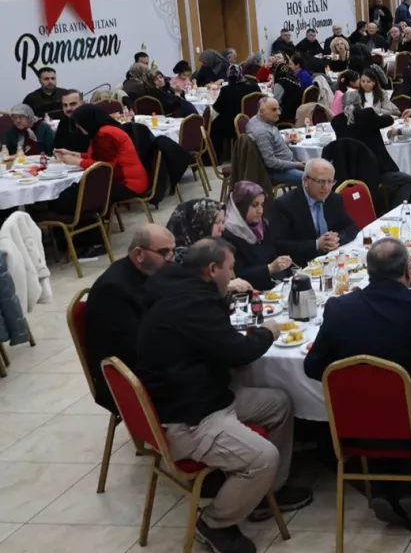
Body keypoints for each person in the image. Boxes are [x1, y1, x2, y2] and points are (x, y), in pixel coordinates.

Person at [135, 238, 313, 553]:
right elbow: (238, 352)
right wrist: (268, 332)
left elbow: (213, 345)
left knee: (279, 404)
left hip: (204, 394)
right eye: (230, 269)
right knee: (262, 458)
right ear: (211, 269)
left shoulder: (179, 288)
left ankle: (265, 493)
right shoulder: (192, 305)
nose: (233, 276)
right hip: (188, 418)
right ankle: (213, 523)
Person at [303, 237, 411, 524]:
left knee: (382, 417)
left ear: (367, 270)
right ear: (408, 270)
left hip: (356, 422)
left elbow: (313, 367)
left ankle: (385, 488)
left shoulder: (339, 309)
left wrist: (356, 375)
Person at [83, 224, 176, 412]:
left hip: (150, 361)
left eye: (173, 251)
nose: (171, 258)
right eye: (164, 252)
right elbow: (137, 348)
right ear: (139, 254)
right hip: (131, 380)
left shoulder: (150, 272)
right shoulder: (112, 291)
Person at [52, 105, 149, 209]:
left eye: (79, 124)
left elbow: (105, 167)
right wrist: (73, 154)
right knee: (75, 193)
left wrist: (76, 161)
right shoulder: (102, 131)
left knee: (74, 197)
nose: (78, 127)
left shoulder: (105, 134)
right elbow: (98, 156)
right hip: (123, 180)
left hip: (128, 185)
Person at [221, 181, 308, 291]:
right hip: (250, 290)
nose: (260, 211)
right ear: (240, 207)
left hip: (273, 282)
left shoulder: (261, 225)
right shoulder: (228, 235)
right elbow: (237, 274)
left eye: (262, 205)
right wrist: (269, 268)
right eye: (254, 205)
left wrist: (282, 262)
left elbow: (271, 251)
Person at [269, 159, 358, 262]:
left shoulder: (334, 199)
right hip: (303, 262)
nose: (326, 187)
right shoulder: (285, 205)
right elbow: (278, 245)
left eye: (330, 181)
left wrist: (337, 238)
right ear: (306, 181)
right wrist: (316, 244)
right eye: (321, 181)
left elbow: (352, 227)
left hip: (332, 258)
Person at [245, 98, 306, 186]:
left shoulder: (256, 120)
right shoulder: (262, 132)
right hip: (277, 171)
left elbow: (268, 145)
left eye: (278, 108)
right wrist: (296, 165)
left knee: (317, 168)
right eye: (274, 110)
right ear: (262, 112)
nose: (279, 112)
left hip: (287, 162)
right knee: (314, 179)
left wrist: (285, 141)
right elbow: (271, 162)